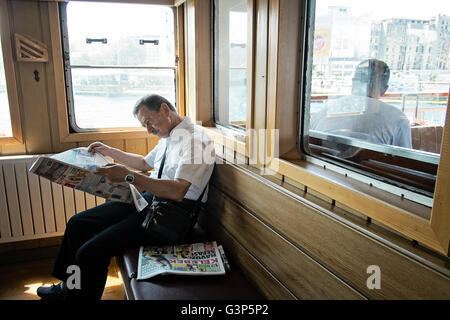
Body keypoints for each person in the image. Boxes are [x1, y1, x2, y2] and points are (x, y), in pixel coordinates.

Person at [37, 94, 215, 300]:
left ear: (165, 110)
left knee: (90, 252)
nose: (149, 130)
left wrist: (128, 177)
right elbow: (143, 163)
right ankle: (69, 286)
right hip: (152, 200)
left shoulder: (195, 141)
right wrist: (110, 151)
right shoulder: (170, 135)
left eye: (149, 122)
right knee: (78, 224)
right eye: (144, 125)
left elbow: (177, 190)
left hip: (171, 214)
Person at [310, 59, 412, 158]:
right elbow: (406, 162)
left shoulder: (325, 110)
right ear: (384, 90)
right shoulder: (397, 118)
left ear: (353, 83)